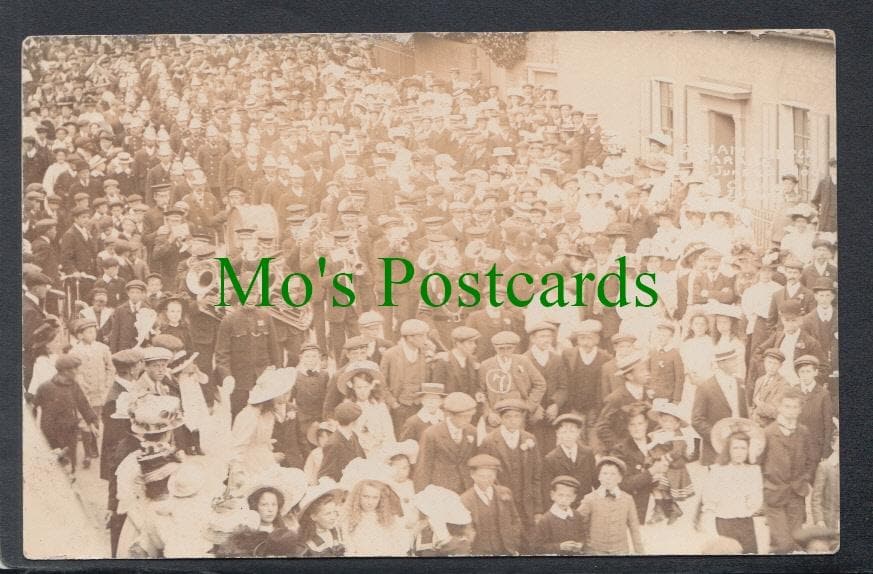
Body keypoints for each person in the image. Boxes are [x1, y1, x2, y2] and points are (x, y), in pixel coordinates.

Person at [759, 387, 816, 554]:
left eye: (795, 407)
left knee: (795, 540)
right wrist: (765, 485)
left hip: (796, 494)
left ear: (800, 409)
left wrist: (804, 478)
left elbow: (810, 460)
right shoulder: (768, 433)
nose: (791, 411)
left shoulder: (804, 432)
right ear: (779, 407)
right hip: (774, 494)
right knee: (783, 543)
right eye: (787, 406)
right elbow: (759, 464)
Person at [478, 398, 543, 539]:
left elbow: (536, 476)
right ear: (501, 418)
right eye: (508, 417)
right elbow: (484, 477)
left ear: (522, 418)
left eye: (517, 416)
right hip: (500, 502)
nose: (513, 421)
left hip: (526, 503)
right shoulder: (489, 441)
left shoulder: (530, 439)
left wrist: (538, 508)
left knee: (528, 539)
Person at [700, 420, 765, 554]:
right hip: (724, 521)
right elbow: (709, 498)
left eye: (743, 448)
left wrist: (749, 502)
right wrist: (709, 517)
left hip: (745, 522)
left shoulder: (753, 471)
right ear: (728, 450)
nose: (739, 452)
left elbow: (756, 500)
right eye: (735, 448)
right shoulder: (718, 470)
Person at [32, 354, 99, 473]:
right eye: (75, 369)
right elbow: (33, 407)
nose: (78, 372)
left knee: (70, 463)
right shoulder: (45, 387)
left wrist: (91, 423)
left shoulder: (74, 385)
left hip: (70, 430)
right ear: (65, 371)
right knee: (55, 464)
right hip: (51, 432)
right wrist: (33, 431)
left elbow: (83, 404)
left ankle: (71, 476)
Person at [230, 368, 297, 476]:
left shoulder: (268, 414)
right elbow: (238, 447)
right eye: (284, 393)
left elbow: (263, 441)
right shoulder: (250, 415)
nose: (287, 397)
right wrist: (238, 473)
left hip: (265, 461)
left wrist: (270, 455)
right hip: (250, 464)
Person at [691, 348, 748, 466]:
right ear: (721, 364)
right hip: (715, 451)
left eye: (736, 359)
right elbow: (697, 420)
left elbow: (744, 415)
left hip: (739, 451)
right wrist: (717, 437)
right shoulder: (705, 387)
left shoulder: (740, 383)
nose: (736, 362)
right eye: (732, 360)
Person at [577, 456, 644, 555]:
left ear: (620, 478)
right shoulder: (590, 499)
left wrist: (640, 552)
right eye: (604, 473)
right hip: (595, 551)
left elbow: (634, 528)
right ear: (599, 477)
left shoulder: (627, 499)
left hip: (620, 551)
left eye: (613, 474)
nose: (608, 477)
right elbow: (577, 522)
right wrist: (583, 544)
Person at [414, 392, 478, 494]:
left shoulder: (472, 431)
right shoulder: (431, 434)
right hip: (441, 490)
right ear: (450, 415)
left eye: (470, 416)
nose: (468, 420)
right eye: (463, 417)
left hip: (466, 488)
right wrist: (422, 495)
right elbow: (423, 468)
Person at [459, 454, 522, 556]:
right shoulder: (465, 499)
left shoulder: (504, 492)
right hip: (479, 552)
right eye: (482, 476)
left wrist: (513, 542)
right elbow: (464, 530)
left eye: (490, 476)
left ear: (495, 476)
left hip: (506, 550)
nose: (486, 480)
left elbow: (515, 519)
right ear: (472, 475)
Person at [645, 401, 695, 524]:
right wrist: (651, 456)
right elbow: (653, 446)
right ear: (660, 421)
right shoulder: (659, 432)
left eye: (671, 422)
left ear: (677, 423)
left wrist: (665, 459)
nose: (667, 424)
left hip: (673, 467)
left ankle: (667, 510)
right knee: (657, 487)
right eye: (664, 421)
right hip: (661, 465)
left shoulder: (678, 436)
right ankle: (667, 509)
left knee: (662, 487)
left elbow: (677, 451)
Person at [336, 361, 395, 456]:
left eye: (366, 387)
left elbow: (388, 432)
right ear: (353, 387)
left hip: (379, 451)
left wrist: (387, 451)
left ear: (371, 386)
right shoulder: (348, 406)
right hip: (357, 452)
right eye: (359, 387)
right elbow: (345, 433)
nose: (363, 391)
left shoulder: (379, 406)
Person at [541, 413, 596, 506]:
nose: (568, 436)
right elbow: (547, 489)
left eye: (572, 432)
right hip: (563, 505)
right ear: (557, 434)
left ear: (578, 433)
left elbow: (595, 479)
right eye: (564, 432)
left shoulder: (587, 453)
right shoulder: (551, 458)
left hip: (585, 504)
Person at [531, 476, 587, 555]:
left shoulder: (577, 516)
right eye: (560, 495)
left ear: (574, 498)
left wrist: (580, 544)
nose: (564, 500)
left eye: (568, 496)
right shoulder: (546, 520)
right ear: (552, 495)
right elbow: (536, 547)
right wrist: (559, 546)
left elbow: (582, 536)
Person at [298, 478, 347, 557]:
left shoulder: (335, 531)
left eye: (334, 512)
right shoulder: (308, 542)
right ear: (313, 517)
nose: (333, 517)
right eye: (327, 514)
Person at [318, 402, 365, 482]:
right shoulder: (333, 443)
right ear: (353, 422)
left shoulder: (353, 435)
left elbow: (362, 458)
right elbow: (325, 474)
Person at [749, 348, 789, 427]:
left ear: (780, 366)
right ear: (764, 362)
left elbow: (776, 412)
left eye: (775, 364)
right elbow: (754, 407)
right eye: (769, 362)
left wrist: (759, 403)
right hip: (755, 424)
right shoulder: (759, 380)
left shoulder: (784, 384)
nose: (771, 366)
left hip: (770, 426)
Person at [811, 423, 839, 531]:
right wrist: (819, 520)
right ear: (833, 445)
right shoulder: (825, 467)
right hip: (830, 520)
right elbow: (816, 498)